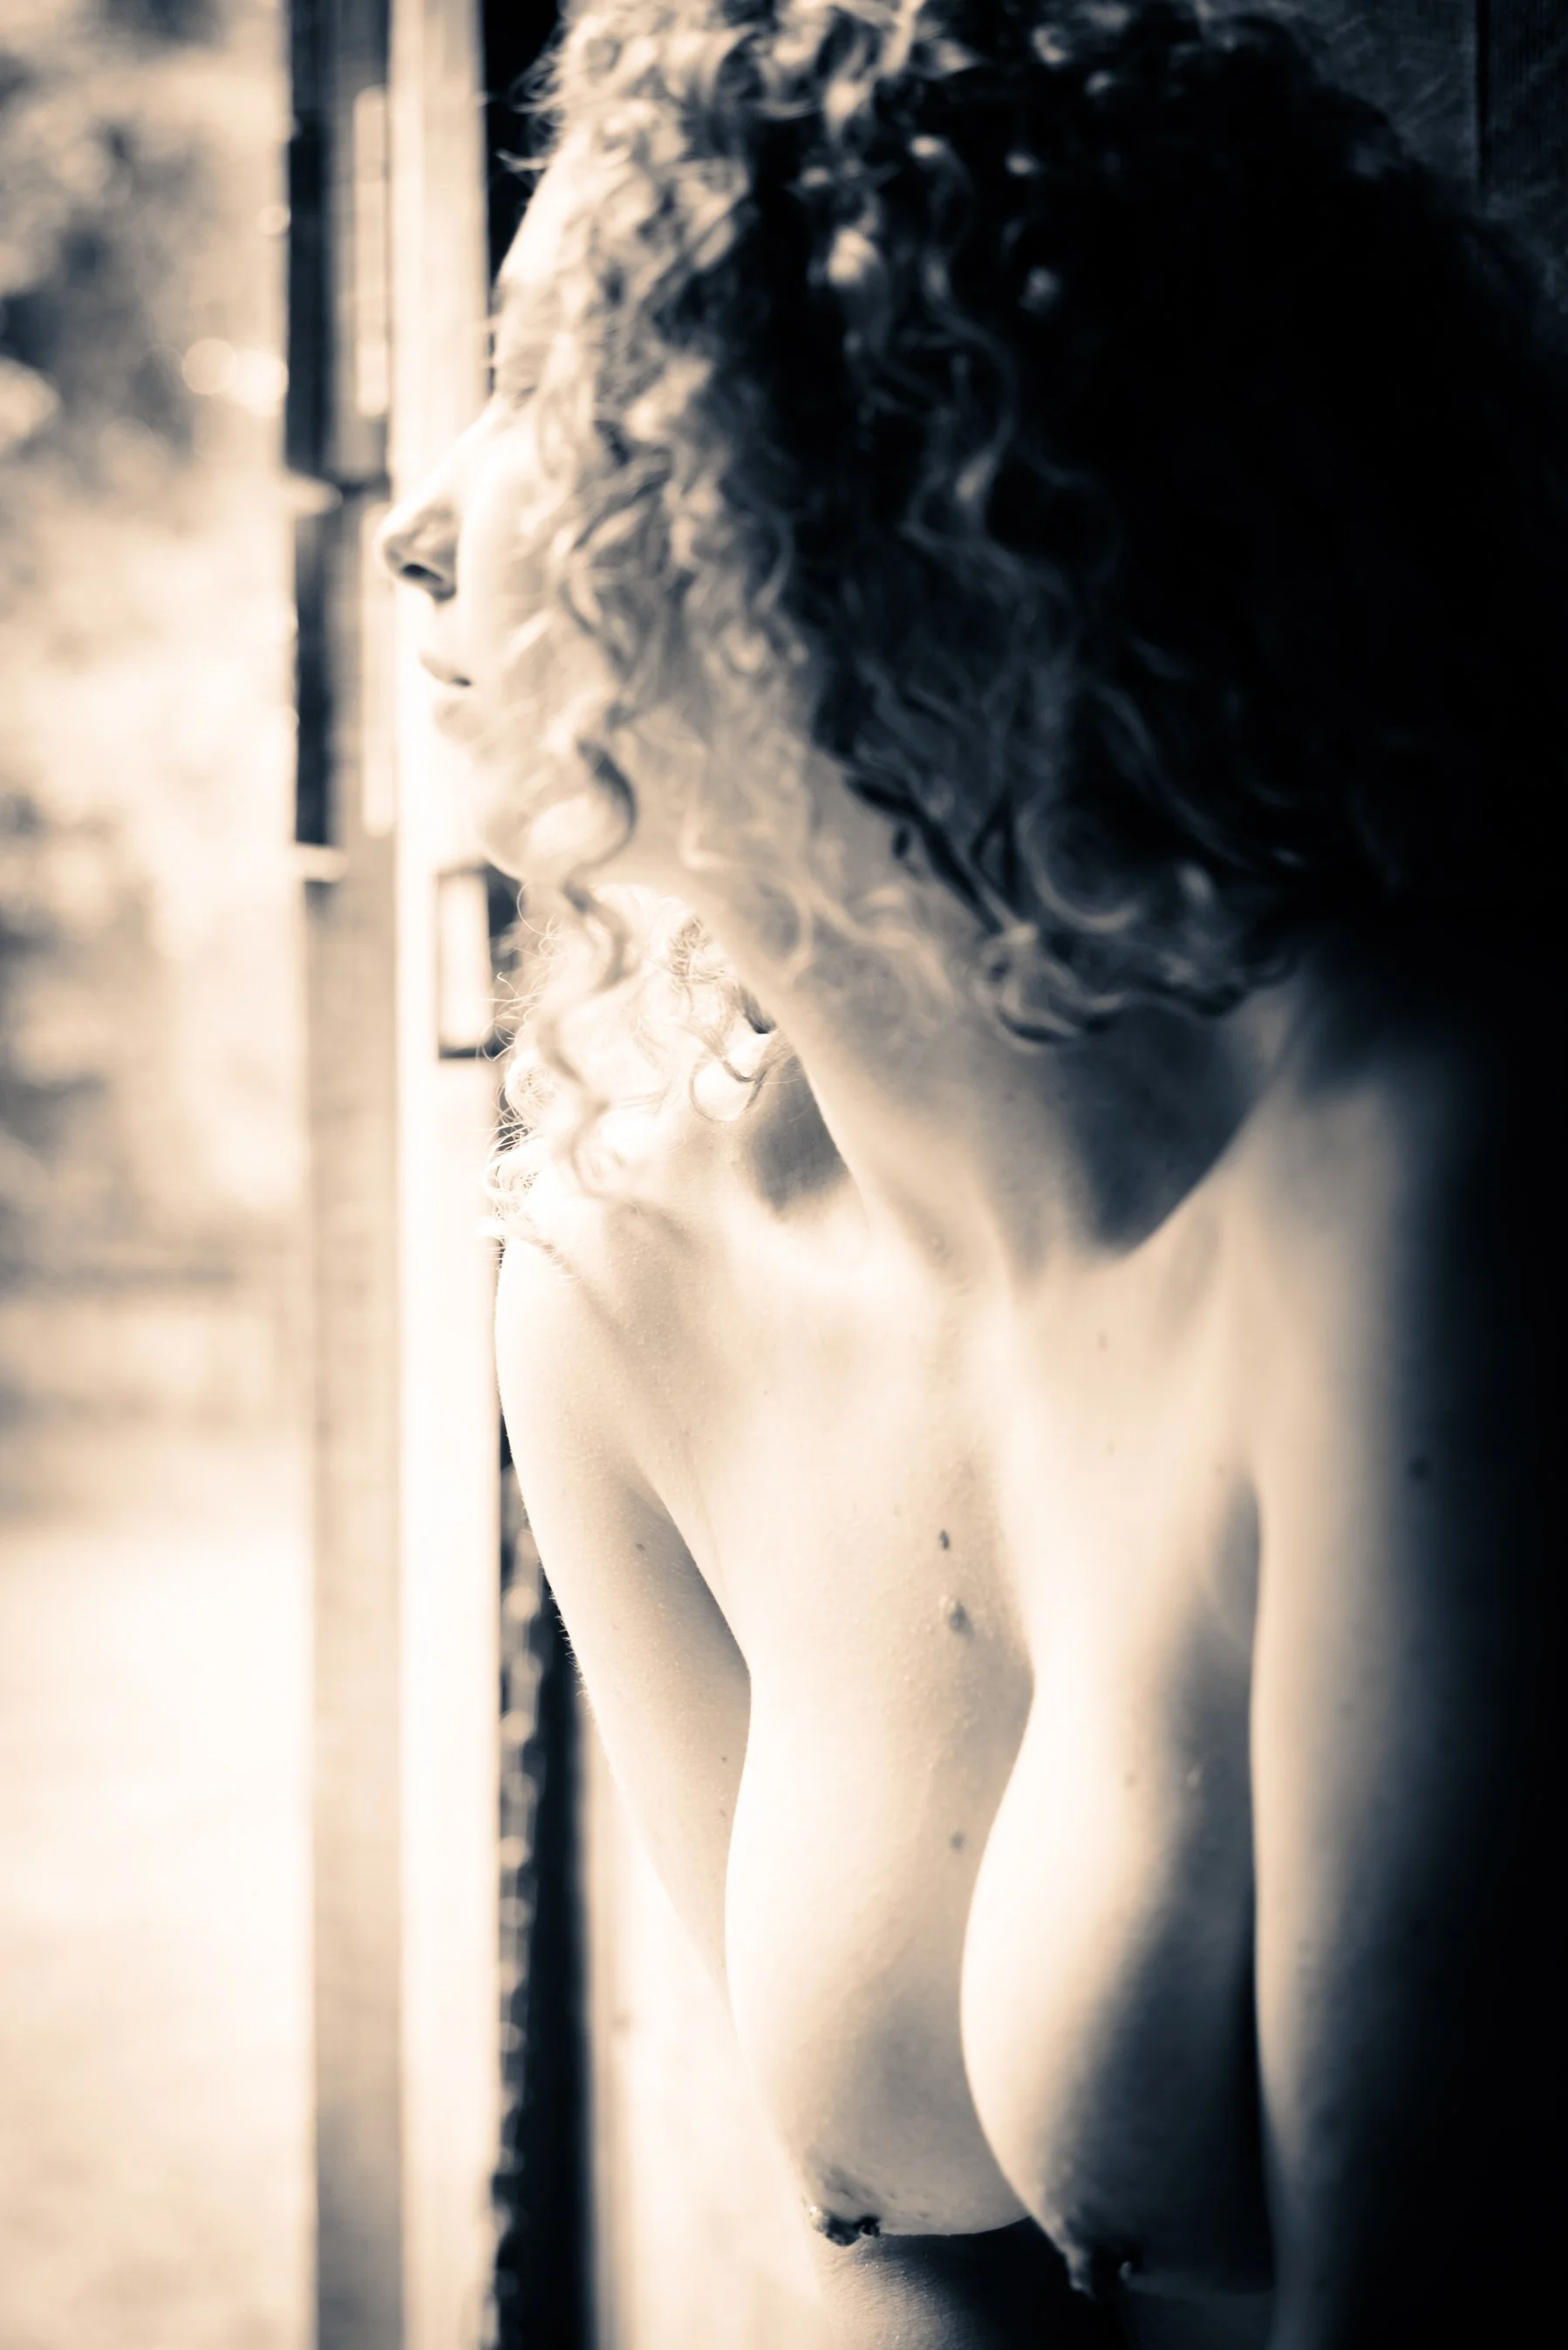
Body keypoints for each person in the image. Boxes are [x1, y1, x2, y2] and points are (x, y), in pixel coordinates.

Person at [378, 3, 1562, 2343]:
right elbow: (895, 2262)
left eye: (554, 389)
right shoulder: (614, 1281)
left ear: (900, 496)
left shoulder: (1416, 1155)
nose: (425, 524)